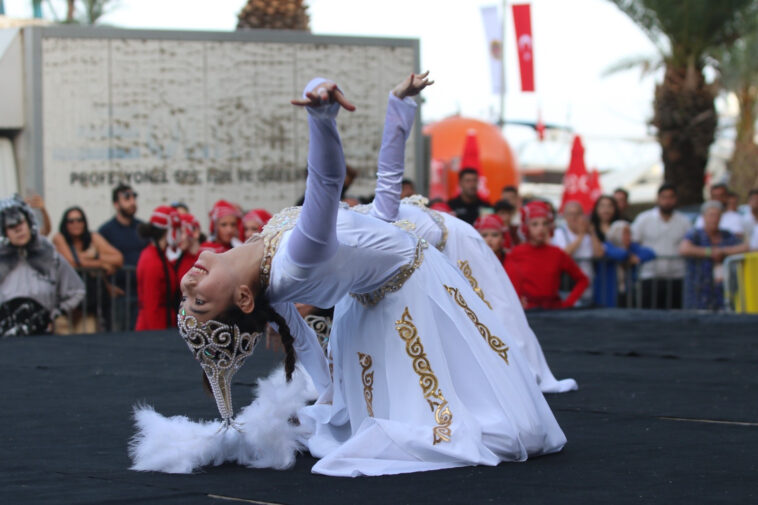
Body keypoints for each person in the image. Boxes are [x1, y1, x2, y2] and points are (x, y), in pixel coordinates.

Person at [133, 76, 565, 477]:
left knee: (426, 404)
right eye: (200, 301)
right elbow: (326, 181)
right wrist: (321, 117)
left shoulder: (267, 263)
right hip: (407, 292)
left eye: (185, 297)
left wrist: (398, 110)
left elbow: (375, 223)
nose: (187, 285)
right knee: (481, 418)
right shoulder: (296, 259)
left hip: (367, 309)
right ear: (244, 300)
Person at [0, 195, 85, 336]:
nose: (18, 230)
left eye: (20, 223)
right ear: (4, 232)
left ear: (29, 223)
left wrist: (57, 313)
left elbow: (77, 290)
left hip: (41, 337)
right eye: (11, 226)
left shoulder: (49, 256)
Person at [506, 201, 589, 310]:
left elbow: (583, 280)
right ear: (526, 227)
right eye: (535, 224)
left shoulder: (557, 253)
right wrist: (515, 301)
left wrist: (568, 303)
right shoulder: (515, 253)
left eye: (544, 223)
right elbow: (505, 283)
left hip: (553, 313)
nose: (541, 228)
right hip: (527, 313)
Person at [52, 206, 123, 332]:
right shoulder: (59, 238)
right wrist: (101, 265)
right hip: (64, 306)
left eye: (79, 220)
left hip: (87, 305)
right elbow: (72, 262)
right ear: (65, 224)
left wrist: (95, 256)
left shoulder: (93, 237)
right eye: (71, 221)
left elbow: (118, 258)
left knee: (87, 342)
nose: (76, 224)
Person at [631, 183, 692, 309]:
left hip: (676, 277)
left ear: (676, 199)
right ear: (658, 199)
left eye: (671, 197)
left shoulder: (684, 221)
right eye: (664, 197)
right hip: (649, 277)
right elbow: (632, 241)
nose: (667, 201)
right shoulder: (644, 219)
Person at [679, 201, 748, 310]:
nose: (714, 219)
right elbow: (684, 249)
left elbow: (744, 247)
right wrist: (709, 252)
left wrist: (723, 251)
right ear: (703, 217)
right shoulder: (695, 234)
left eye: (717, 215)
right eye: (711, 215)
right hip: (698, 289)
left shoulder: (727, 235)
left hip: (721, 290)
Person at [99, 183, 149, 330]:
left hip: (142, 296)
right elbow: (98, 262)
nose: (132, 202)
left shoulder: (143, 228)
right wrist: (107, 286)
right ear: (116, 203)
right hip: (119, 297)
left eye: (134, 197)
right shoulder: (106, 231)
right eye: (127, 198)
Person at [135, 206, 181, 330]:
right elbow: (151, 304)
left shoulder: (159, 256)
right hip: (155, 325)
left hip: (163, 322)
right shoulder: (152, 260)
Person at [552, 200, 603, 305]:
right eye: (570, 214)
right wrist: (580, 236)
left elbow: (599, 254)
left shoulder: (589, 234)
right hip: (569, 285)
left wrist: (592, 232)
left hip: (589, 284)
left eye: (577, 214)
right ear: (565, 216)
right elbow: (564, 254)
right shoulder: (559, 233)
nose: (574, 217)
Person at [589, 195, 630, 307]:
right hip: (598, 277)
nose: (606, 210)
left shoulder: (622, 226)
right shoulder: (591, 228)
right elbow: (598, 252)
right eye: (602, 206)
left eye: (609, 206)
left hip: (620, 278)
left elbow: (627, 250)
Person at [173, 213, 202, 286]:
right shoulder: (175, 262)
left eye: (181, 232)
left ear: (195, 232)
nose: (177, 238)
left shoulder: (209, 258)